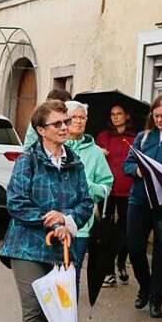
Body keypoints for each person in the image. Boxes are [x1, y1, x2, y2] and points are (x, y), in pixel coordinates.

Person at [1, 99, 93, 322]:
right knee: (34, 307)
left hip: (59, 247)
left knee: (50, 309)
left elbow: (85, 203)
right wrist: (48, 220)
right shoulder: (27, 160)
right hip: (25, 247)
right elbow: (16, 202)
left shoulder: (75, 161)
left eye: (66, 122)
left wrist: (67, 220)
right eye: (58, 124)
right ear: (41, 130)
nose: (65, 127)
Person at [123, 95, 162, 318]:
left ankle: (156, 299)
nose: (159, 120)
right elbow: (128, 163)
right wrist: (137, 171)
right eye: (155, 116)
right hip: (139, 200)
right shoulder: (143, 137)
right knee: (134, 247)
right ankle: (145, 286)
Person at [62, 100, 113, 285]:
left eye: (82, 117)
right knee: (51, 276)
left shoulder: (95, 153)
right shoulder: (56, 146)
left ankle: (70, 313)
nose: (78, 121)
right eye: (74, 117)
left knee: (72, 276)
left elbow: (107, 186)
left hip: (81, 226)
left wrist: (88, 186)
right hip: (54, 221)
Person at [96, 104, 136, 287]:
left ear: (127, 116)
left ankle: (121, 261)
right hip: (107, 190)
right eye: (112, 114)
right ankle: (108, 270)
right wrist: (99, 153)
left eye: (119, 114)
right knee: (106, 230)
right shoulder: (103, 136)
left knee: (126, 230)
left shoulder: (135, 138)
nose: (115, 117)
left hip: (128, 189)